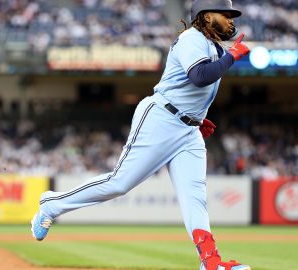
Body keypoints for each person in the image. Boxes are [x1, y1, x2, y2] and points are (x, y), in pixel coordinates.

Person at [31, 0, 250, 269]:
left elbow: (196, 86)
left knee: (195, 197)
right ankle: (52, 204)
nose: (230, 19)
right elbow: (199, 76)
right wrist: (233, 56)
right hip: (162, 119)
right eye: (225, 14)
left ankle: (210, 262)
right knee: (119, 183)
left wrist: (197, 117)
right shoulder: (191, 38)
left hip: (188, 129)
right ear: (205, 17)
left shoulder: (213, 46)